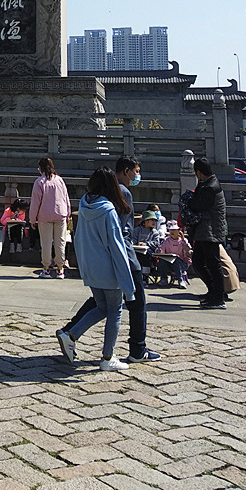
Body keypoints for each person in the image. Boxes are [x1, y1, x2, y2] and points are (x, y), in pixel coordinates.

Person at [58, 155, 160, 363]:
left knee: (101, 304)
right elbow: (119, 236)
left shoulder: (88, 202)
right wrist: (126, 264)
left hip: (93, 261)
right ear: (125, 171)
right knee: (125, 307)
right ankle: (119, 354)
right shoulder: (117, 198)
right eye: (136, 171)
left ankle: (70, 332)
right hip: (119, 260)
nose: (137, 176)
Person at [54, 167, 135, 371]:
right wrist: (128, 282)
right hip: (109, 268)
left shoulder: (84, 205)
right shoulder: (108, 210)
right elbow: (116, 247)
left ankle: (71, 334)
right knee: (115, 311)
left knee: (101, 307)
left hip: (91, 267)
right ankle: (108, 357)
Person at [186, 157, 228, 309]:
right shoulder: (209, 184)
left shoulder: (210, 187)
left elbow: (198, 205)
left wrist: (188, 201)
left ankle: (218, 297)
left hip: (211, 230)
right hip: (205, 230)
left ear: (199, 172)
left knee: (212, 263)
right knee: (198, 262)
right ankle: (214, 291)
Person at [29, 157, 71, 279]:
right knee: (60, 242)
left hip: (45, 216)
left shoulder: (39, 182)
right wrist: (67, 214)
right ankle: (60, 269)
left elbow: (35, 203)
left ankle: (46, 269)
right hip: (60, 214)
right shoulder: (60, 180)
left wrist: (32, 219)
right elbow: (66, 198)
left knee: (46, 243)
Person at [157, 221, 192, 287]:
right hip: (169, 263)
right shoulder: (166, 240)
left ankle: (180, 280)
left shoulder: (183, 240)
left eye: (174, 230)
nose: (172, 232)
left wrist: (183, 241)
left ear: (179, 230)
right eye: (171, 230)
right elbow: (162, 251)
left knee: (176, 260)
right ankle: (164, 279)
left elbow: (188, 251)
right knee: (161, 260)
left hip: (182, 263)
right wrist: (159, 251)